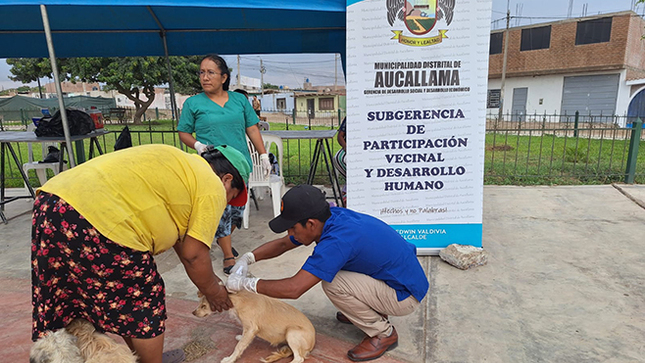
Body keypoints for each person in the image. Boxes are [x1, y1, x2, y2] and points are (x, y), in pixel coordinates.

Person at [31, 144, 251, 363]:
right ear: (227, 179)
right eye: (231, 197)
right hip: (97, 219)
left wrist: (207, 282)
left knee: (122, 295)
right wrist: (213, 291)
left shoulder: (182, 165)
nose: (226, 204)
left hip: (52, 204)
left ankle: (142, 357)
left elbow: (184, 248)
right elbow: (194, 255)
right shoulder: (212, 185)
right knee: (144, 297)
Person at [226, 185, 429, 362]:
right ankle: (366, 310)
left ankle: (383, 333)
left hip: (404, 295)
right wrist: (248, 258)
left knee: (333, 283)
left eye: (292, 228)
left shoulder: (337, 242)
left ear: (311, 224)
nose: (290, 234)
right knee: (333, 270)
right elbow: (283, 244)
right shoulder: (331, 217)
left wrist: (247, 284)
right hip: (399, 278)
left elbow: (294, 288)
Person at [178, 54, 271, 274]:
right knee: (221, 211)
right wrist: (198, 145)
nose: (205, 77)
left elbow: (252, 129)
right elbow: (184, 132)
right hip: (213, 167)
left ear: (224, 77)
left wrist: (264, 155)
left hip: (240, 164)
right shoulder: (193, 103)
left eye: (211, 72)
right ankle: (228, 255)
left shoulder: (239, 101)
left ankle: (222, 238)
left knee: (237, 211)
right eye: (202, 72)